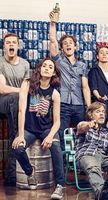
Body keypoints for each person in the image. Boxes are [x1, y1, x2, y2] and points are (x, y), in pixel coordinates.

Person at [12, 58, 64, 199]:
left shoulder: (55, 93)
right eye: (44, 66)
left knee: (56, 147)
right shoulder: (27, 84)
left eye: (50, 67)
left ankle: (60, 185)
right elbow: (21, 110)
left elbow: (57, 121)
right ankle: (30, 173)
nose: (47, 68)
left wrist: (50, 136)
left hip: (46, 129)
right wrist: (21, 135)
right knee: (17, 148)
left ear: (54, 73)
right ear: (39, 69)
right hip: (29, 129)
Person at [49, 8, 91, 150]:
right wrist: (53, 23)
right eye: (65, 43)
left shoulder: (82, 65)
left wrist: (89, 106)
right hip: (63, 104)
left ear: (75, 46)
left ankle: (80, 159)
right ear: (62, 48)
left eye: (70, 43)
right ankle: (63, 162)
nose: (68, 44)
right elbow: (53, 41)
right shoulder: (59, 60)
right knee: (60, 133)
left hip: (79, 104)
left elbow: (85, 87)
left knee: (82, 133)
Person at [0, 33, 30, 186]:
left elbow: (27, 88)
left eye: (14, 42)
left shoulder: (25, 64)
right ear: (4, 46)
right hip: (2, 102)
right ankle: (12, 176)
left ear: (18, 46)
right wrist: (22, 91)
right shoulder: (0, 62)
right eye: (8, 43)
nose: (11, 45)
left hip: (18, 104)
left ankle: (14, 175)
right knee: (14, 97)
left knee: (30, 100)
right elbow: (2, 88)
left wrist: (24, 93)